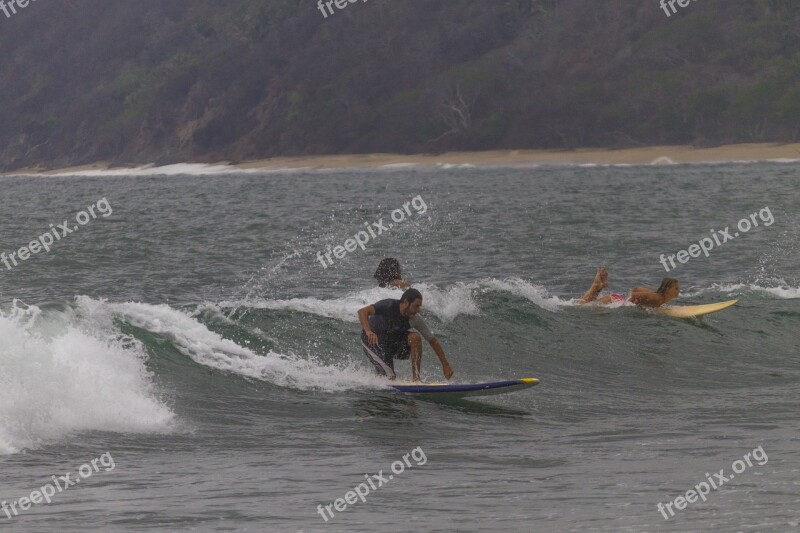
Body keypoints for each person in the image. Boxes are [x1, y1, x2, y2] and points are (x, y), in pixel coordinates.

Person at [358, 288, 453, 382]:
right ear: (406, 302)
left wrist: (445, 365)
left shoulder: (415, 319)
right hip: (372, 342)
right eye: (416, 306)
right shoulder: (388, 305)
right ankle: (377, 377)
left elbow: (433, 341)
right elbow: (362, 312)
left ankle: (416, 379)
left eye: (419, 307)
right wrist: (368, 331)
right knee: (390, 378)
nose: (418, 310)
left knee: (415, 337)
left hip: (390, 344)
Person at [579, 267, 680, 307]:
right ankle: (596, 284)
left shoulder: (657, 296)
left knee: (586, 304)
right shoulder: (657, 298)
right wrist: (625, 305)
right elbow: (634, 293)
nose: (679, 290)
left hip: (616, 299)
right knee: (581, 307)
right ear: (667, 289)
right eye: (676, 288)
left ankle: (598, 285)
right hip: (614, 301)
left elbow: (637, 289)